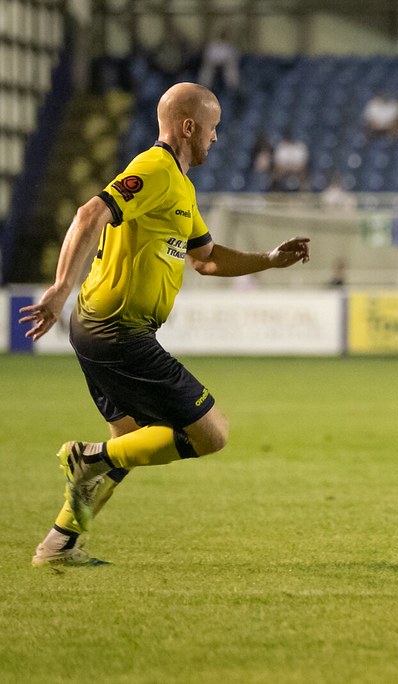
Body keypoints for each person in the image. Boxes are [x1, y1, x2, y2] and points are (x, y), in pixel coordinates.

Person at [19, 82, 311, 567]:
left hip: (103, 328)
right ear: (189, 126)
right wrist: (60, 286)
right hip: (117, 329)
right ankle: (87, 460)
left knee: (130, 442)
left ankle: (59, 544)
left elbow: (206, 258)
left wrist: (268, 259)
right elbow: (90, 213)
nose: (216, 138)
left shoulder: (181, 187)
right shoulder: (154, 168)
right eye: (213, 128)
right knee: (210, 433)